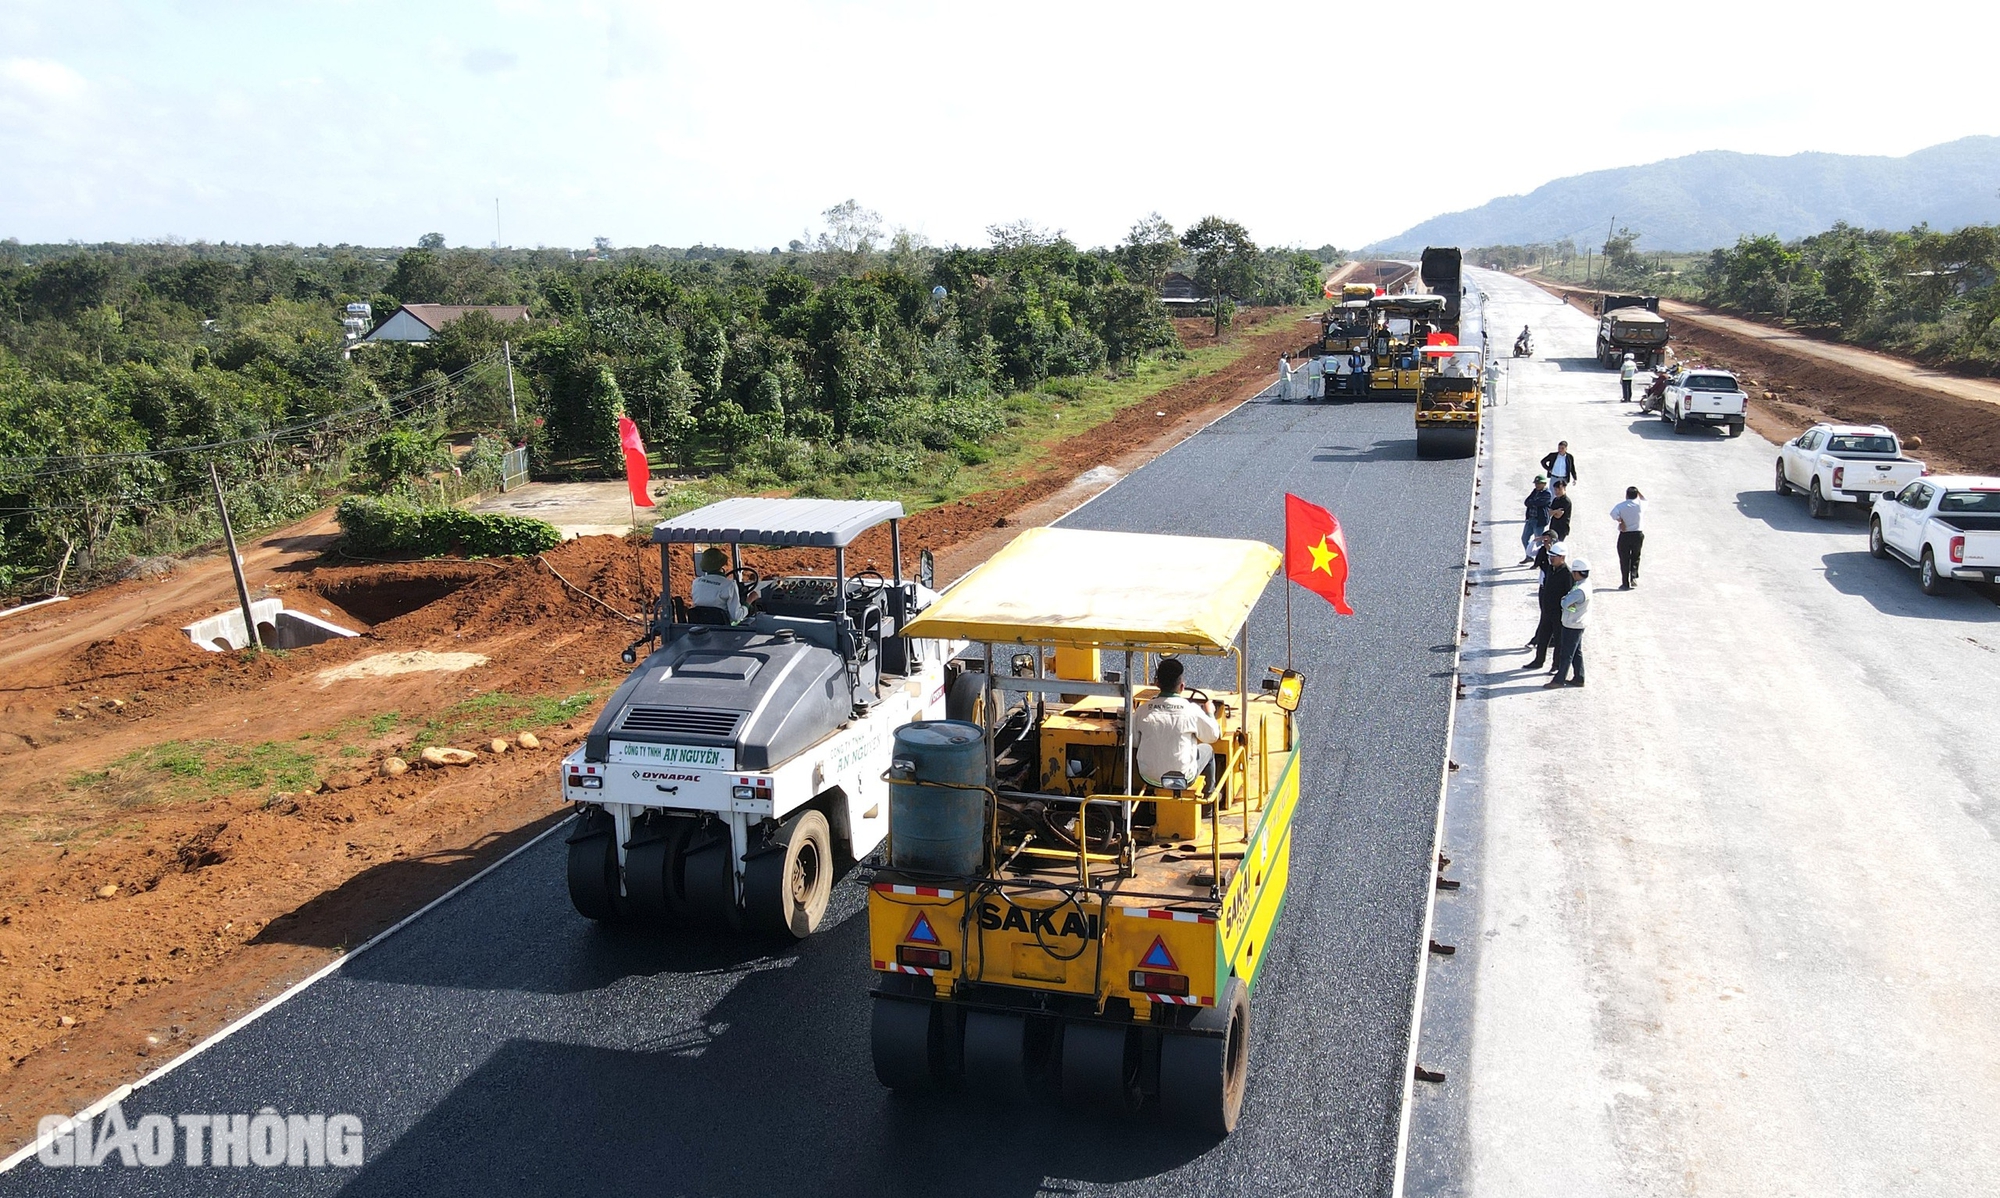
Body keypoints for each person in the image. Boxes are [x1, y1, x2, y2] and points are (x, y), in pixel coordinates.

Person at [1135, 657, 1220, 790]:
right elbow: (1213, 736)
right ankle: (1209, 801)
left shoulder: (1142, 710)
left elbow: (1134, 742)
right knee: (1208, 750)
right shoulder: (1191, 710)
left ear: (1157, 684)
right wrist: (1210, 713)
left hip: (1148, 777)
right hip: (1182, 779)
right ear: (1182, 687)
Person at [1544, 556, 1591, 688]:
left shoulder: (1579, 590)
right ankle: (1579, 677)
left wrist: (1564, 600)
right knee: (1576, 652)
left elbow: (1565, 603)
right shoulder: (1585, 584)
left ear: (1577, 573)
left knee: (1566, 653)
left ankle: (1559, 680)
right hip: (1578, 622)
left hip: (1573, 623)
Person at [1526, 538, 1571, 669]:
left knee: (1558, 641)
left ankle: (1556, 665)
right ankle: (1538, 661)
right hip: (1547, 611)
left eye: (1554, 557)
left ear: (1562, 557)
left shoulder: (1567, 574)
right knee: (1543, 637)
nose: (1551, 559)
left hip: (1559, 614)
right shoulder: (1551, 569)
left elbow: (1569, 595)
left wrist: (1566, 613)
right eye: (1550, 556)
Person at [689, 546, 747, 624]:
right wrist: (748, 602)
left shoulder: (696, 582)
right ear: (721, 565)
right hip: (724, 631)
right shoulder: (729, 585)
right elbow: (736, 616)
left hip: (701, 629)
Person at [1610, 486, 1646, 589]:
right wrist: (1638, 492)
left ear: (1626, 495)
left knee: (1624, 559)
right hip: (1637, 534)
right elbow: (1644, 499)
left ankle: (1625, 583)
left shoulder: (1621, 506)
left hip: (1625, 535)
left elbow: (1612, 514)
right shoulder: (1640, 505)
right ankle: (1633, 576)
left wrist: (1620, 520)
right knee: (1636, 556)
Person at [1521, 475, 1552, 563]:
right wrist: (1533, 502)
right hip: (1530, 519)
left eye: (1539, 483)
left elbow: (1540, 503)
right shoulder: (1535, 491)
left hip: (1539, 521)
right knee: (1524, 538)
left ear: (1544, 484)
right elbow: (1526, 502)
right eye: (1536, 483)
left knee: (1539, 541)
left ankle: (1541, 560)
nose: (1537, 485)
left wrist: (1532, 502)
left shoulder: (1547, 493)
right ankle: (1529, 556)